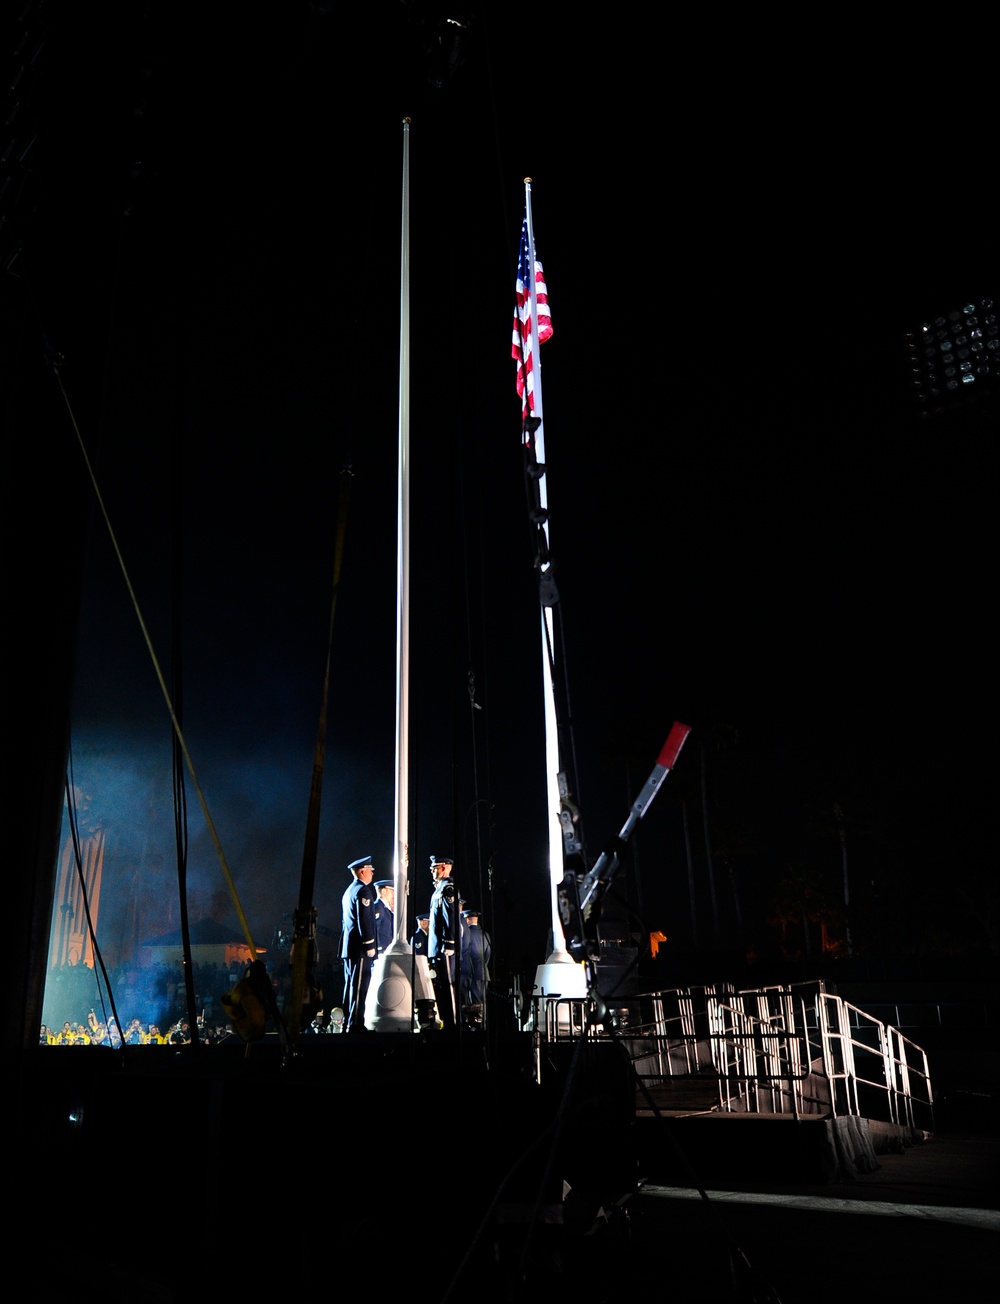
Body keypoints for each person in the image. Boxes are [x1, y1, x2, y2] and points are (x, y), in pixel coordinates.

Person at [340, 855, 377, 1033]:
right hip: (359, 947)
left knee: (350, 986)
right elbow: (364, 920)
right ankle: (355, 1025)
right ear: (363, 871)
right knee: (359, 987)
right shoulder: (363, 891)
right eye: (371, 870)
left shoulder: (349, 891)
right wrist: (369, 944)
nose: (372, 874)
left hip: (349, 946)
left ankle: (349, 1021)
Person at [427, 855, 462, 1030]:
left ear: (444, 868)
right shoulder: (439, 888)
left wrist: (450, 942)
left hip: (444, 946)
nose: (432, 871)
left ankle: (454, 1024)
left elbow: (451, 917)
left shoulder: (448, 887)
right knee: (441, 987)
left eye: (435, 868)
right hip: (437, 947)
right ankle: (448, 1021)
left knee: (449, 986)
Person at [460, 907, 491, 1021]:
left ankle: (472, 1027)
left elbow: (465, 953)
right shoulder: (486, 935)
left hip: (469, 973)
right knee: (482, 1002)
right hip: (483, 972)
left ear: (467, 919)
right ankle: (483, 1025)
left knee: (469, 1003)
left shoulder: (466, 934)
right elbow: (488, 955)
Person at [373, 879, 395, 954]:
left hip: (386, 948)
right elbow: (375, 929)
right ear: (383, 891)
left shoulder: (385, 908)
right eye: (392, 891)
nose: (394, 894)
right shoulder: (378, 907)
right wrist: (378, 947)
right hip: (381, 949)